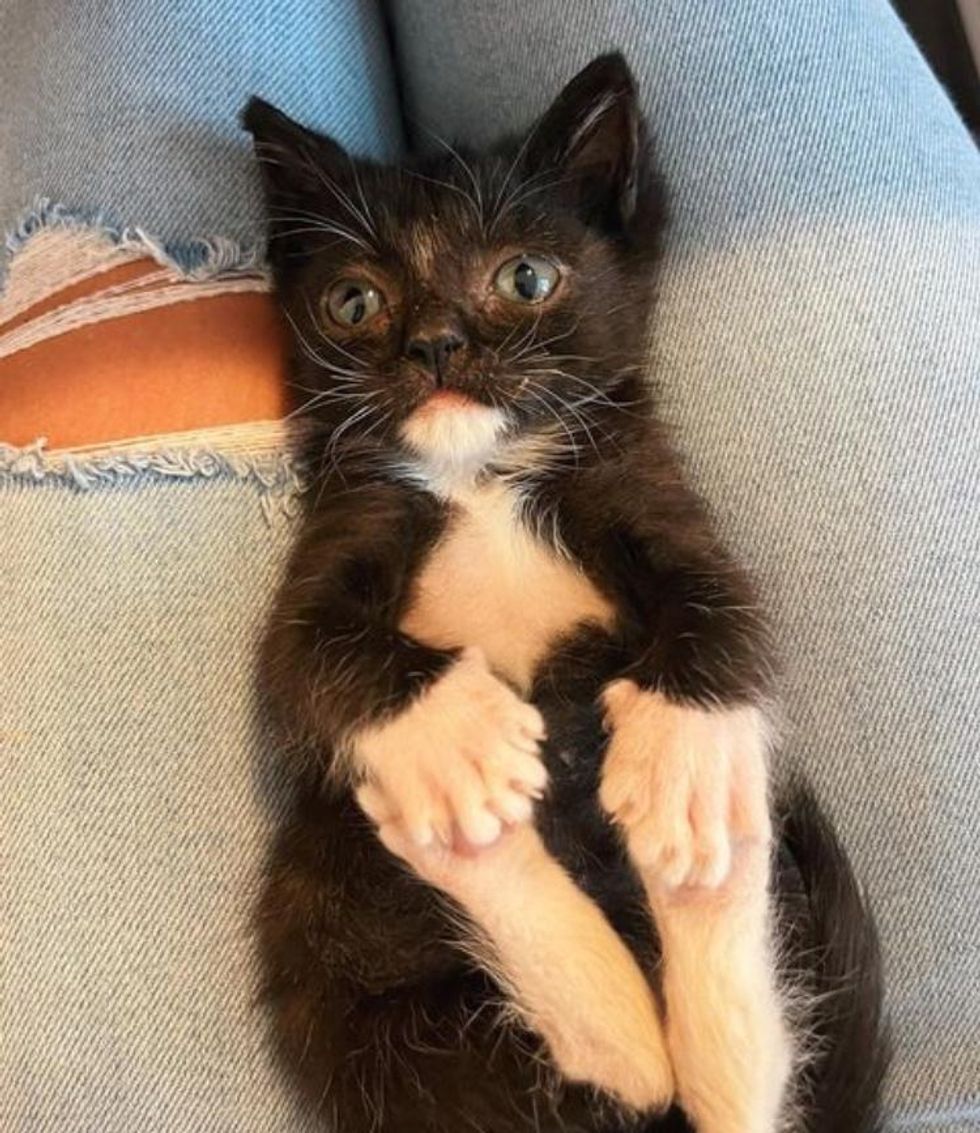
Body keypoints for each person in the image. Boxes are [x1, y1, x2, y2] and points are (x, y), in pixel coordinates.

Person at [2, 3, 978, 1129]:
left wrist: (667, 694)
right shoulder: (369, 479)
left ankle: (539, 888)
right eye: (356, 303)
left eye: (520, 281)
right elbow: (317, 648)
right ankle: (681, 932)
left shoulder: (600, 443)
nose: (434, 337)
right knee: (713, 804)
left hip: (468, 936)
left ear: (617, 246)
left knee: (337, 946)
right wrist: (696, 695)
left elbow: (334, 649)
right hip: (475, 963)